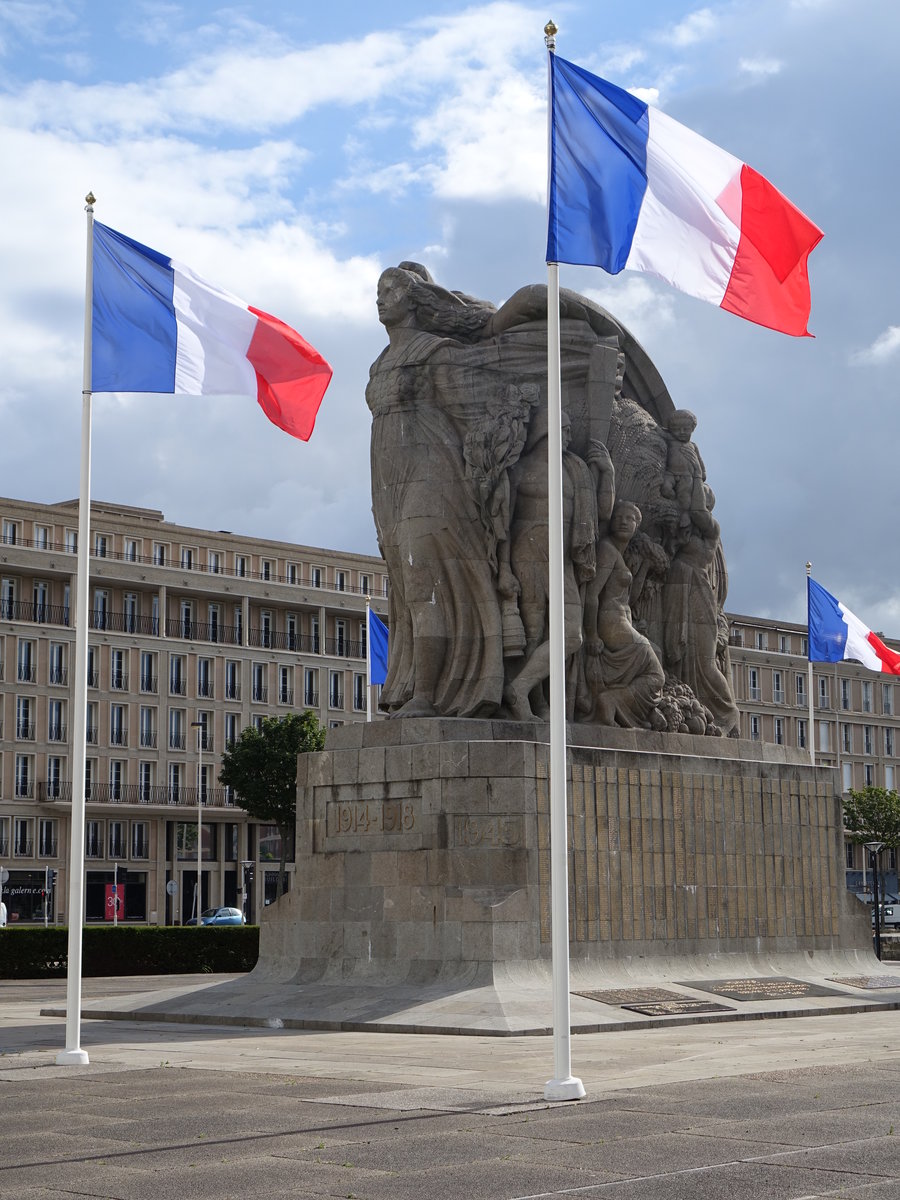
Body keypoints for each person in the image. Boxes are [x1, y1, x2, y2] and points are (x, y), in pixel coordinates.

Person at [366, 264, 507, 717]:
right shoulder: (379, 363)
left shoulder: (436, 353)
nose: (380, 297)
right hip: (389, 481)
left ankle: (427, 695)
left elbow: (480, 418)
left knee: (423, 578)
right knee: (408, 587)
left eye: (391, 290)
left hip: (434, 476)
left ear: (415, 298)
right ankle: (412, 689)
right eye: (378, 290)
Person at [581, 501, 665, 727]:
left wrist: (646, 566)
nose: (623, 521)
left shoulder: (618, 554)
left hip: (621, 622)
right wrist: (591, 636)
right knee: (656, 675)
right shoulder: (607, 549)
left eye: (629, 518)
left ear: (637, 525)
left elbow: (630, 598)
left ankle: (630, 709)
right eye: (618, 517)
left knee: (656, 653)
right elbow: (591, 595)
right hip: (611, 624)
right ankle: (610, 702)